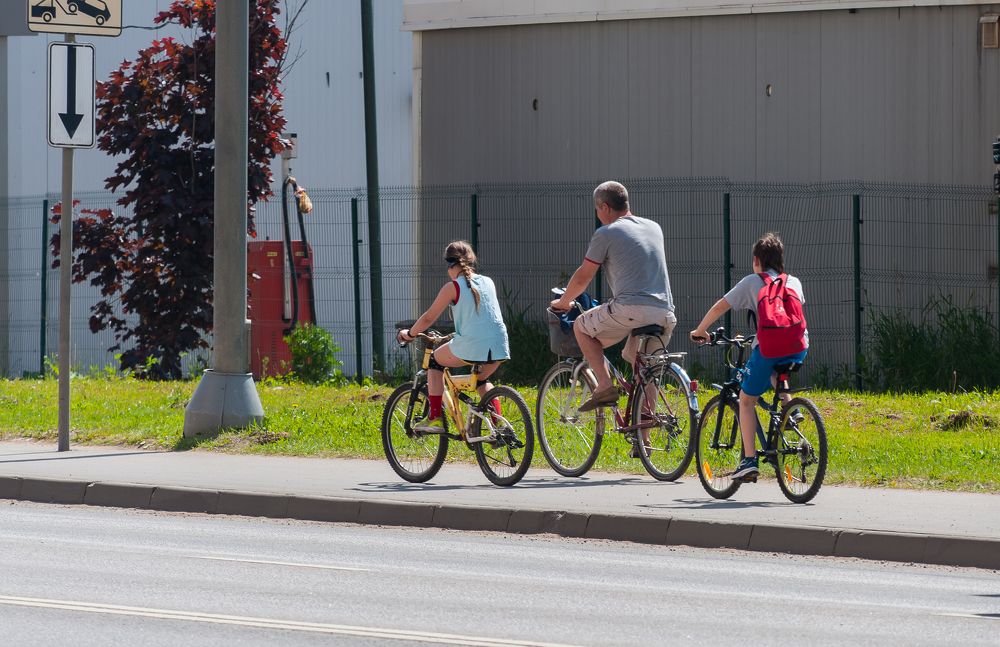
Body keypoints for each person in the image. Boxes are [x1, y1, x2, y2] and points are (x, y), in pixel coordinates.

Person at [689, 232, 809, 480]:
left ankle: (749, 460)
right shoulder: (793, 282)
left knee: (746, 400)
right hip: (799, 346)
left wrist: (700, 331)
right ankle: (790, 410)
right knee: (778, 371)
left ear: (757, 260)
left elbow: (721, 306)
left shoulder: (753, 282)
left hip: (769, 349)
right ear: (780, 260)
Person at [550, 181, 677, 414]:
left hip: (630, 308)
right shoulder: (653, 227)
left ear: (605, 207)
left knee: (581, 327)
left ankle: (605, 386)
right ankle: (643, 439)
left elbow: (583, 276)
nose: (598, 215)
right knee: (641, 365)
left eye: (597, 210)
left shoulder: (605, 233)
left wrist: (563, 301)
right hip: (665, 312)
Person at [396, 240, 509, 431]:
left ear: (449, 265)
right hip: (499, 345)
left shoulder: (453, 287)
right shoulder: (488, 281)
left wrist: (410, 334)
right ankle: (499, 426)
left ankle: (434, 418)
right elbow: (481, 318)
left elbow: (429, 317)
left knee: (435, 361)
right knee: (481, 380)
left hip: (472, 345)